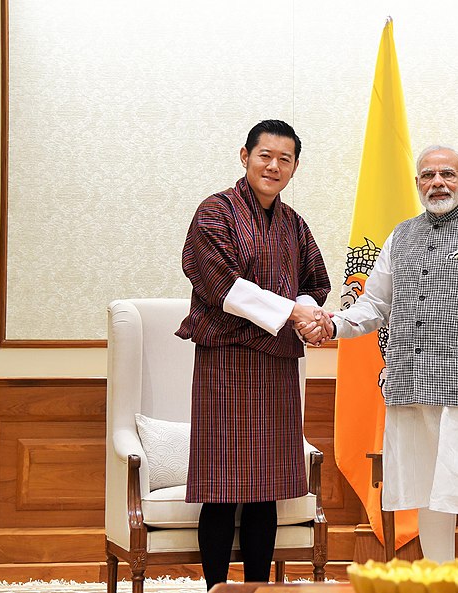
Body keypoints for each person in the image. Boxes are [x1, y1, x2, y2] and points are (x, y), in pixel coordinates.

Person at [300, 145, 458, 563]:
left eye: (446, 174)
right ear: (418, 184)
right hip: (411, 389)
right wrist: (333, 324)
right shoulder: (400, 235)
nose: (437, 182)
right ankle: (439, 584)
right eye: (428, 175)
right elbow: (374, 306)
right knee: (428, 495)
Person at [176, 119, 331, 588]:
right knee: (221, 491)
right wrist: (295, 315)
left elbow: (315, 284)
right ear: (244, 156)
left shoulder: (294, 225)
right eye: (265, 155)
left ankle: (259, 588)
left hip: (278, 365)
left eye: (285, 159)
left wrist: (307, 312)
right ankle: (216, 588)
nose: (274, 166)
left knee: (267, 492)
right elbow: (222, 287)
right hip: (226, 362)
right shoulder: (213, 214)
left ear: (295, 167)